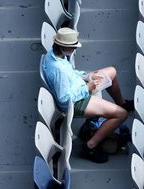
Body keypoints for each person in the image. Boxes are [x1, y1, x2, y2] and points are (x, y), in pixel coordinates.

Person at [42, 27, 134, 163]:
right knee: (121, 115)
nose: (74, 50)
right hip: (77, 102)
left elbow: (71, 74)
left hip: (80, 86)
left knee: (112, 72)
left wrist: (86, 76)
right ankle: (90, 145)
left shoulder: (55, 55)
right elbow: (64, 99)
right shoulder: (58, 69)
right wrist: (87, 88)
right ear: (62, 45)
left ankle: (122, 103)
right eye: (73, 47)